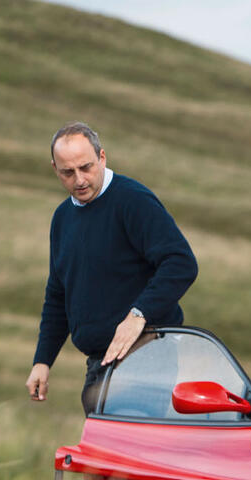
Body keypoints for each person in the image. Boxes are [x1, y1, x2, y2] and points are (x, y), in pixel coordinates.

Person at [25, 122, 198, 413]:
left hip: (148, 357)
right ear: (55, 169)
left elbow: (180, 263)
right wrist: (42, 361)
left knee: (130, 440)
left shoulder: (132, 200)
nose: (79, 179)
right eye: (68, 172)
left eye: (86, 167)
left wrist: (138, 315)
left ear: (102, 157)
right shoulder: (62, 219)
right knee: (100, 444)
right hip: (99, 364)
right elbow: (58, 294)